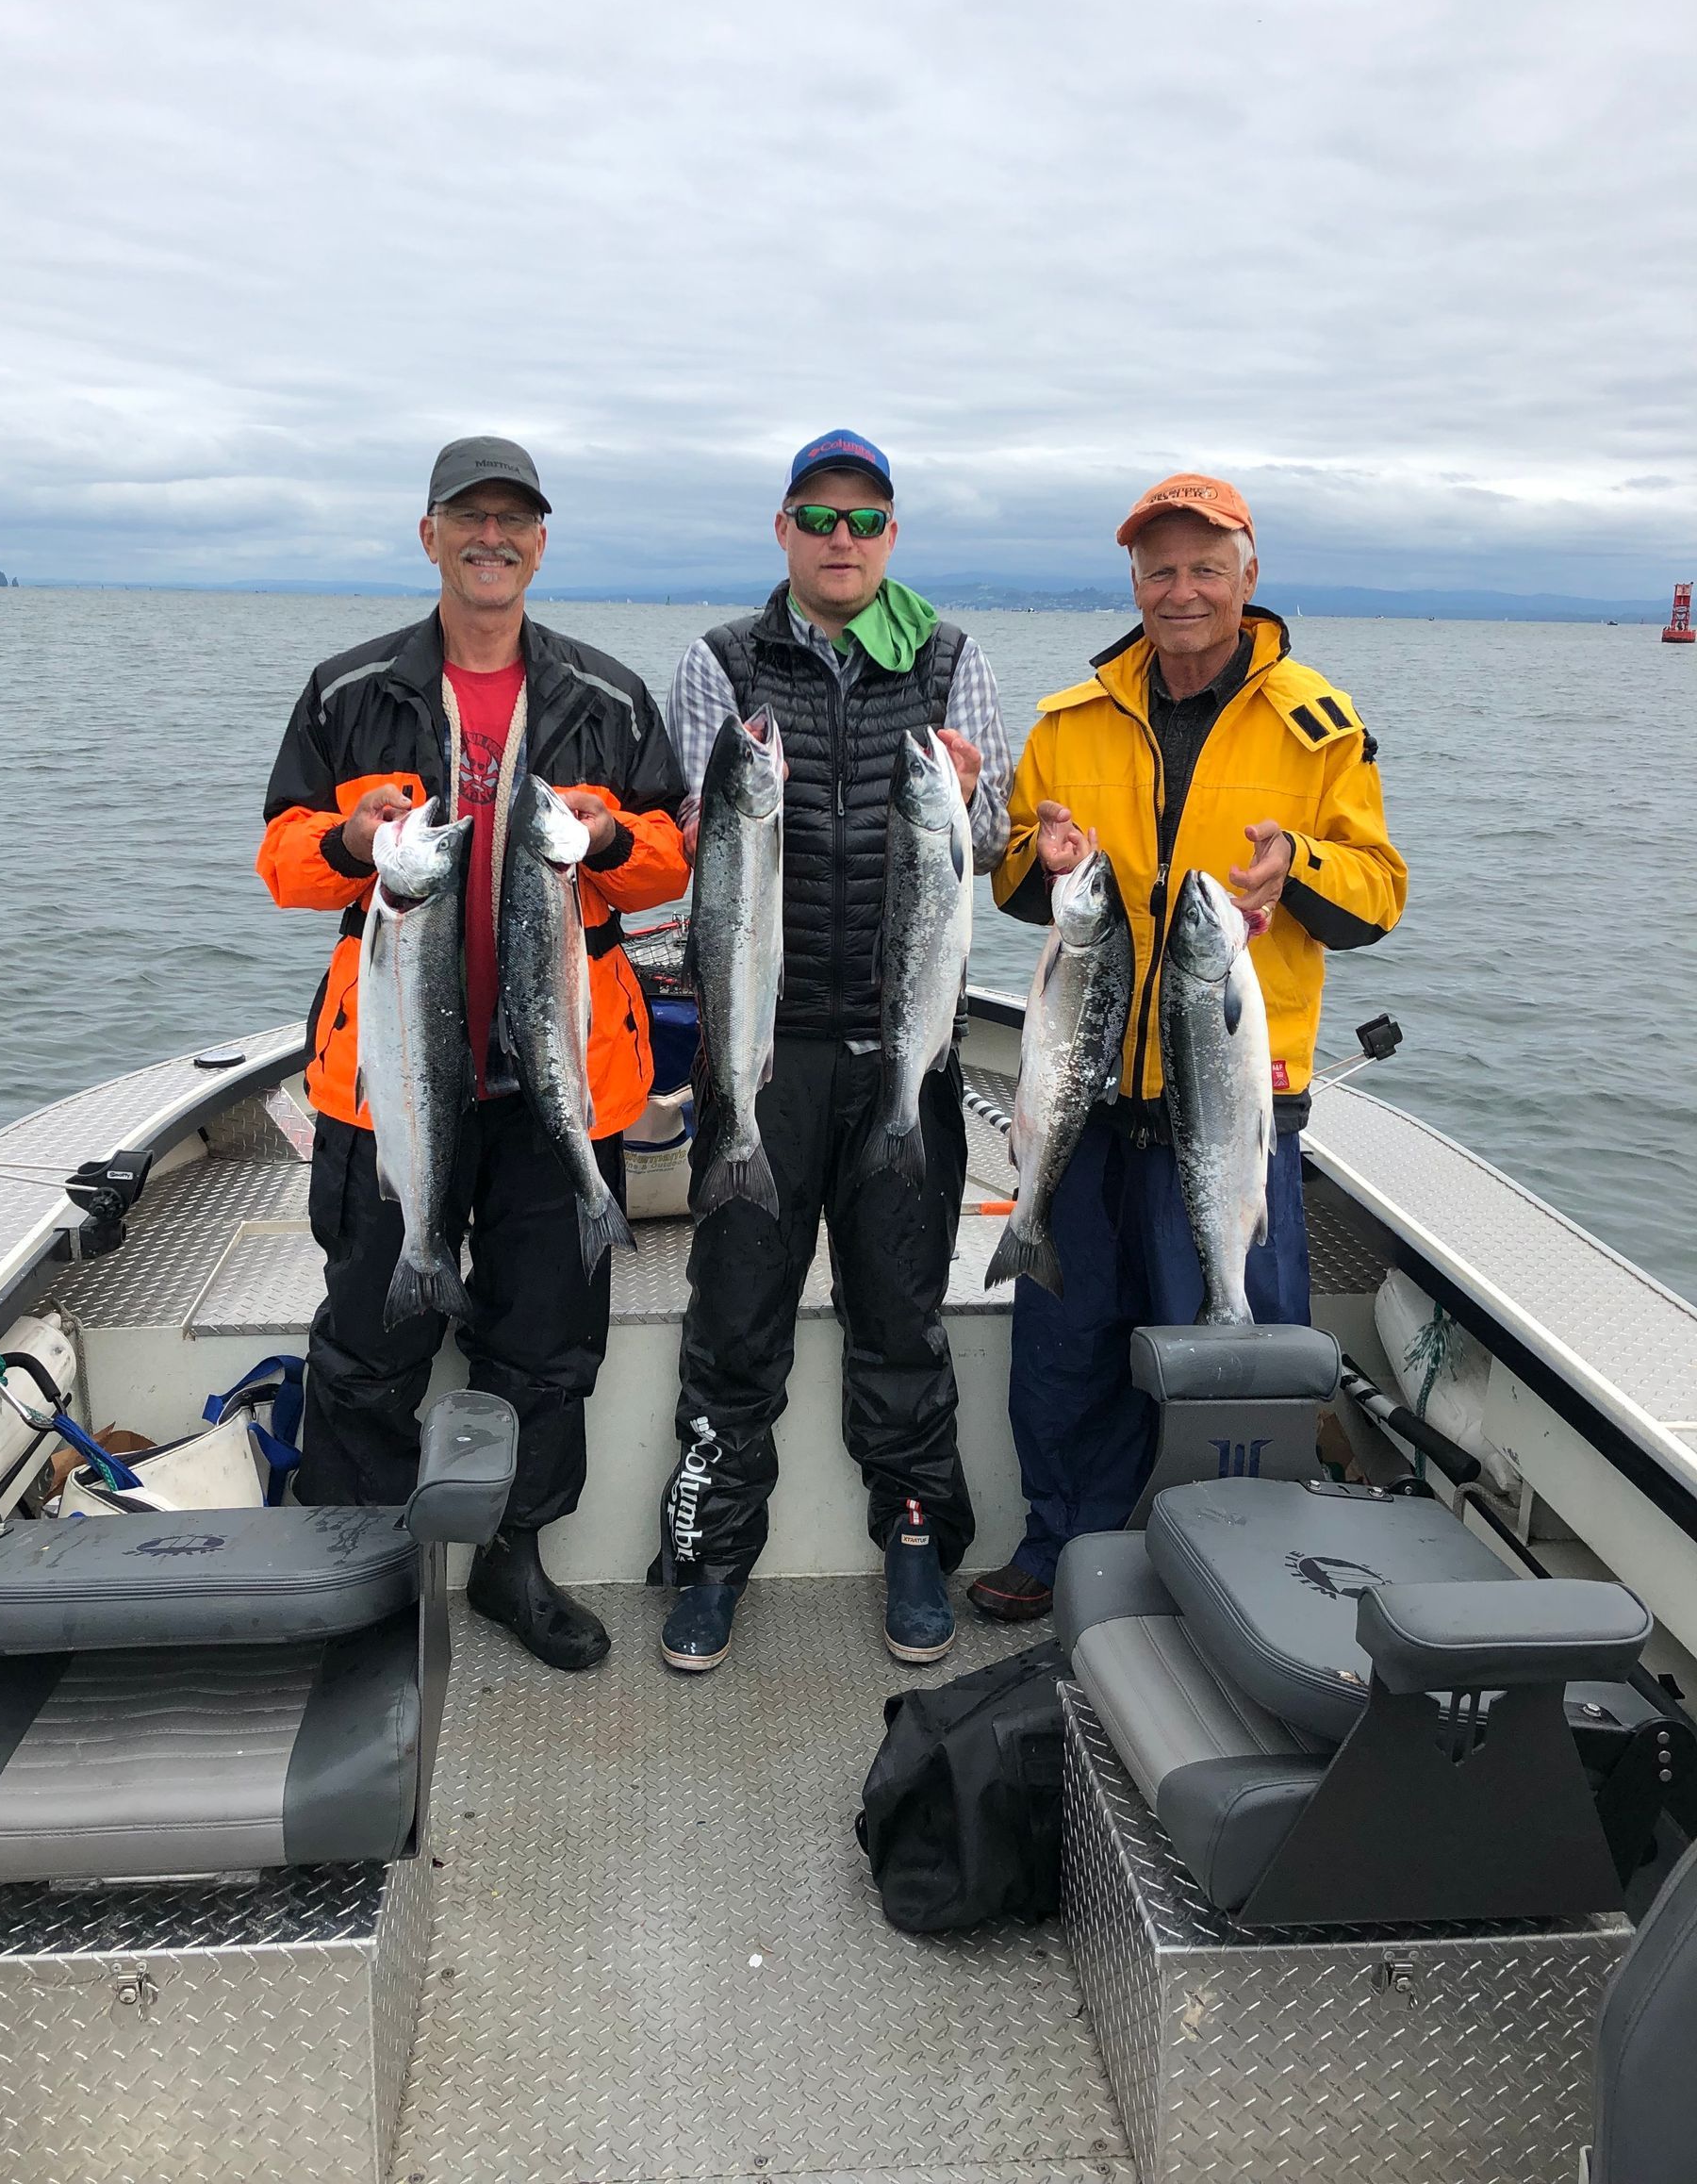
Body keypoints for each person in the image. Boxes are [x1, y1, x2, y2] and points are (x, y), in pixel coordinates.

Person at [258, 436, 689, 1670]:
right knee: (364, 1346)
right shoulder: (350, 691)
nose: (492, 537)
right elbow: (281, 858)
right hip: (391, 1088)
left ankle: (516, 1561)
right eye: (469, 516)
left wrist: (607, 839)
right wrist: (348, 836)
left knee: (549, 1349)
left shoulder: (606, 699)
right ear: (430, 534)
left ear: (541, 544)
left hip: (557, 1090)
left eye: (515, 519)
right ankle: (356, 1570)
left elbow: (671, 854)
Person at [972, 472, 1407, 1622]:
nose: (1182, 590)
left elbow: (1378, 894)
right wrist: (1044, 855)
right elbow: (1019, 880)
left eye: (1206, 566)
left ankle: (1252, 1566)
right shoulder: (1071, 721)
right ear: (1133, 581)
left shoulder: (1319, 722)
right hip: (1085, 1097)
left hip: (1232, 1101)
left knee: (1235, 1346)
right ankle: (1062, 1542)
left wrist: (1298, 870)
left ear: (1249, 577)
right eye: (1159, 568)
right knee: (1065, 1344)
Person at [655, 429, 1014, 1672]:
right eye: (819, 516)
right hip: (761, 1055)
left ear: (893, 536)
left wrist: (976, 795)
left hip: (904, 1051)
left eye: (865, 520)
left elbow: (999, 840)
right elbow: (682, 838)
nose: (842, 539)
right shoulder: (720, 663)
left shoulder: (955, 662)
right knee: (737, 1315)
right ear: (785, 532)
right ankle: (709, 1552)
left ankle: (915, 1533)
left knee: (902, 1311)